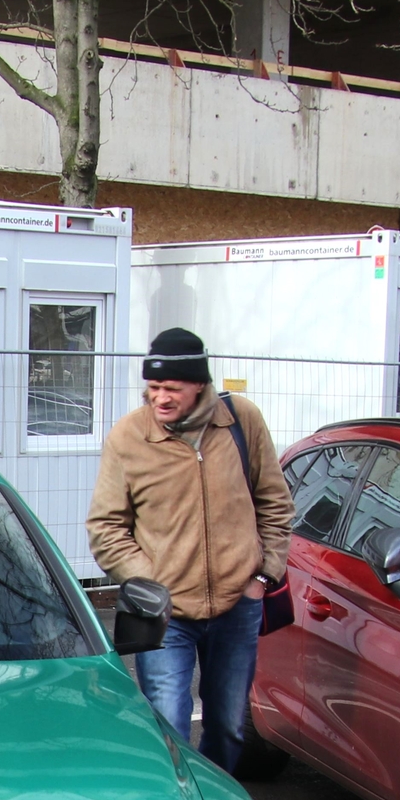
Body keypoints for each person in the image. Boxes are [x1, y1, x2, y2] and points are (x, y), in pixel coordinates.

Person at [87, 327, 293, 771]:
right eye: (153, 387)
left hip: (239, 607)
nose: (160, 397)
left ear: (199, 384)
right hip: (166, 618)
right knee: (169, 732)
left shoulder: (242, 422)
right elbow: (105, 528)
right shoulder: (128, 438)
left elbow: (275, 502)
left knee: (228, 727)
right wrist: (150, 581)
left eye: (171, 388)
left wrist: (262, 577)